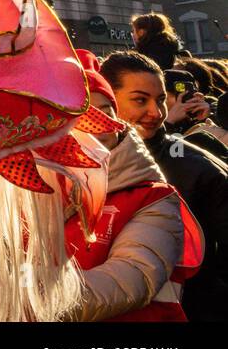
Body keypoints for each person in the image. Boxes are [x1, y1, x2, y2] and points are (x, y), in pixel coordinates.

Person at [67, 51, 195, 321]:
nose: (97, 127)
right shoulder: (28, 192)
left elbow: (132, 276)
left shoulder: (153, 196)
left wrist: (32, 299)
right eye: (81, 116)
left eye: (104, 114)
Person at [102, 50, 228, 321]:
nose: (156, 112)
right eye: (140, 100)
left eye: (160, 100)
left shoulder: (197, 167)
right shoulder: (70, 164)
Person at [164, 66, 228, 165]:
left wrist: (204, 120)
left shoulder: (211, 120)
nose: (182, 100)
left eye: (188, 94)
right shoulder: (149, 123)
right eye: (176, 94)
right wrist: (169, 124)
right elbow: (173, 157)